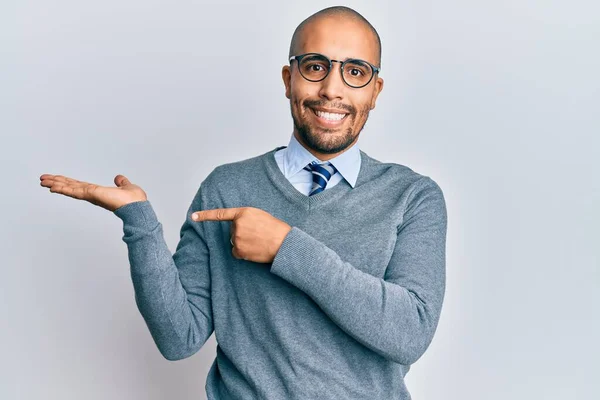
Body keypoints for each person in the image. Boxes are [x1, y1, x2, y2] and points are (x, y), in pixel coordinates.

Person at [39, 6, 447, 400]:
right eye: (315, 66)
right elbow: (179, 337)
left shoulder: (412, 197)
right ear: (289, 79)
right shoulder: (225, 188)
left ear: (375, 91)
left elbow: (409, 335)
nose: (332, 89)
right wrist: (138, 220)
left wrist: (286, 247)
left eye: (354, 71)